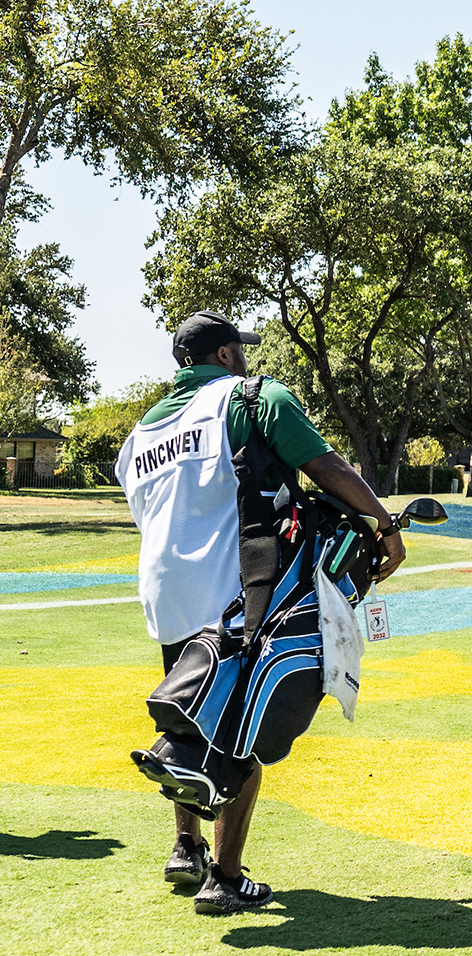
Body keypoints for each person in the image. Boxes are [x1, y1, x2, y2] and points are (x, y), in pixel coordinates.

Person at [118, 311, 406, 914]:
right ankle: (224, 879)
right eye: (239, 348)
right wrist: (384, 524)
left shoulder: (140, 434)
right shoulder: (254, 397)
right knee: (241, 729)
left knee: (190, 715)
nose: (245, 357)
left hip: (165, 592)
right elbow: (326, 467)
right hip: (236, 586)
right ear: (225, 355)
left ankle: (186, 847)